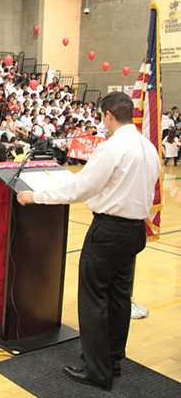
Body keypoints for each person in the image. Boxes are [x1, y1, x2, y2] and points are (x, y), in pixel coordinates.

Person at [17, 92, 160, 391]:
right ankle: (113, 358)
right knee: (119, 297)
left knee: (93, 297)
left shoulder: (112, 148)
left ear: (108, 115)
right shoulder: (148, 147)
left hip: (109, 231)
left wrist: (37, 196)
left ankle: (97, 370)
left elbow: (82, 188)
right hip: (134, 231)